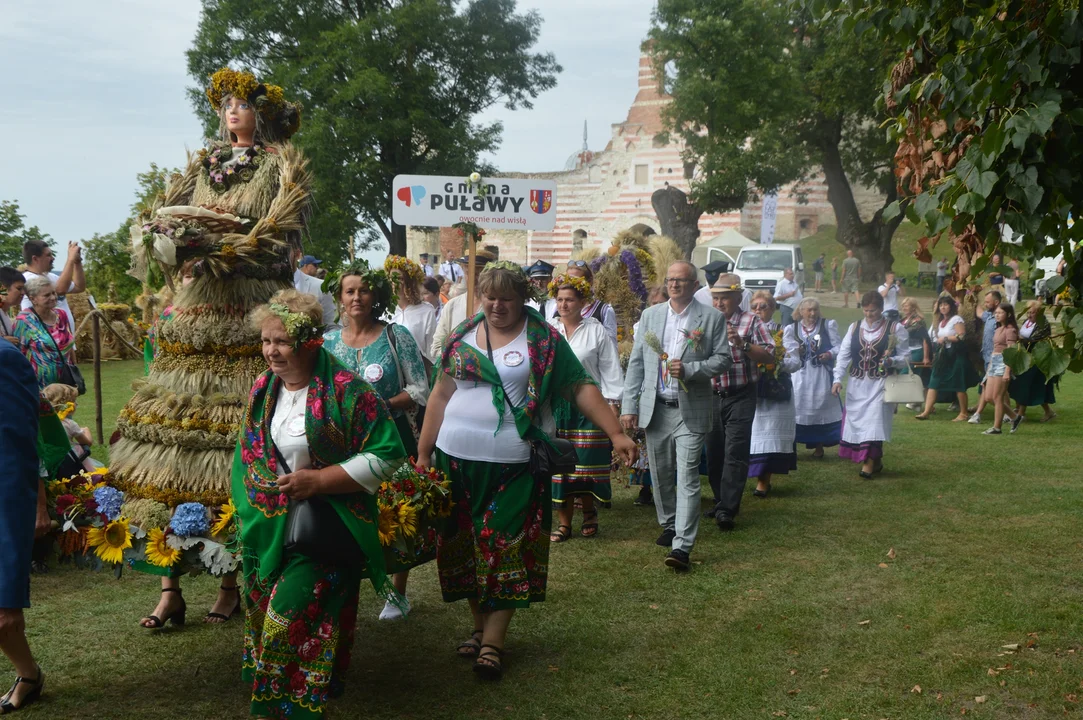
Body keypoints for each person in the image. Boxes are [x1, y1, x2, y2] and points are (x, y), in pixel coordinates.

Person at [111, 68, 309, 629]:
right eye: (225, 104)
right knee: (174, 437)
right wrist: (169, 240)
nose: (232, 111)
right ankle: (170, 586)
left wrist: (229, 244)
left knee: (236, 437)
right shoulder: (201, 165)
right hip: (199, 305)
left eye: (242, 103)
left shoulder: (278, 163)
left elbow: (280, 232)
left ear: (261, 113)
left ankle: (229, 583)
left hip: (249, 306)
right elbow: (168, 218)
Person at [416, 262, 635, 678]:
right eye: (490, 297)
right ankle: (479, 628)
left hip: (515, 464)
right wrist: (425, 454)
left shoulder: (544, 340)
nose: (497, 305)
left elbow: (580, 386)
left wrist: (615, 434)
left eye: (507, 298)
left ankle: (494, 644)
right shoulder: (463, 335)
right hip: (454, 461)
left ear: (523, 299)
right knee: (463, 545)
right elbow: (440, 397)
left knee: (503, 545)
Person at [234, 289, 406, 717]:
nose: (271, 351)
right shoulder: (263, 388)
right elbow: (247, 453)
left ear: (310, 342)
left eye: (282, 342)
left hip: (325, 530)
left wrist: (320, 481)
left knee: (286, 625)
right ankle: (296, 703)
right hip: (268, 530)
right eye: (266, 341)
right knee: (283, 626)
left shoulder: (348, 391)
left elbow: (388, 454)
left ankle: (287, 707)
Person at [322, 260, 430, 620]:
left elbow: (420, 389)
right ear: (339, 297)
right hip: (340, 442)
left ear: (376, 296)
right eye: (350, 291)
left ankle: (396, 592)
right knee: (343, 512)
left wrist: (379, 405)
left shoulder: (396, 336)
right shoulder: (327, 342)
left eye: (364, 290)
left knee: (395, 511)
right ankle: (344, 581)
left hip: (391, 436)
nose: (357, 297)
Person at [622, 262, 730, 570]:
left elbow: (722, 359)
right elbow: (638, 364)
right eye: (670, 280)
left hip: (690, 409)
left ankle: (683, 546)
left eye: (680, 281)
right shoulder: (650, 316)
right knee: (661, 473)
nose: (674, 285)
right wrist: (630, 405)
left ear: (694, 285)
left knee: (688, 475)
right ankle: (669, 523)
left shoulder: (710, 318)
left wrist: (692, 369)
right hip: (656, 408)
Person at [547, 273, 624, 541]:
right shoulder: (549, 331)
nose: (564, 305)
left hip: (591, 406)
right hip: (557, 408)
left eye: (570, 300)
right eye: (559, 299)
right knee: (560, 464)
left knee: (586, 464)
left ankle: (589, 512)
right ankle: (564, 522)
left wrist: (613, 403)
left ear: (582, 302)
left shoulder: (595, 330)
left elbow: (610, 369)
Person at [0, 344, 50, 714]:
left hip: (4, 495)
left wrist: (34, 506)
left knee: (3, 614)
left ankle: (29, 675)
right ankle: (29, 674)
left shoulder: (5, 359)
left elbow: (19, 447)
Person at [704, 274, 774, 529]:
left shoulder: (751, 320)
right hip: (711, 395)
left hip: (741, 394)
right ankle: (720, 499)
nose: (719, 303)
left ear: (737, 297)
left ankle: (727, 509)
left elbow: (768, 356)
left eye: (724, 298)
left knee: (735, 451)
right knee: (714, 452)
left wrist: (742, 343)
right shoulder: (706, 320)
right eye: (716, 298)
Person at [832, 290, 909, 478]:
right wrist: (837, 379)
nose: (868, 315)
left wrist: (891, 361)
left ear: (881, 309)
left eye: (872, 311)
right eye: (865, 311)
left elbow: (906, 357)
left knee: (875, 421)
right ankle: (876, 460)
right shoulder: (854, 327)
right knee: (859, 423)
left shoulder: (895, 328)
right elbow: (843, 356)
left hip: (881, 383)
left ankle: (868, 463)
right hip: (857, 384)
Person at [746, 292, 800, 497]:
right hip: (750, 389)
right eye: (755, 307)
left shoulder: (783, 332)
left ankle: (763, 479)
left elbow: (796, 362)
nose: (758, 310)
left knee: (770, 433)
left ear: (773, 309)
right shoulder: (745, 331)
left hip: (775, 390)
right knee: (750, 432)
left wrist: (776, 363)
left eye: (763, 307)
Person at [785, 297, 842, 457]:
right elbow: (786, 351)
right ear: (801, 311)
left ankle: (819, 446)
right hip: (799, 375)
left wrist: (829, 354)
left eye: (815, 309)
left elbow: (840, 346)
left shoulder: (827, 325)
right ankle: (792, 446)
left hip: (820, 375)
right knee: (797, 407)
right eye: (809, 310)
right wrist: (796, 352)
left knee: (818, 407)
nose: (812, 313)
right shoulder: (792, 328)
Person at [914, 294, 980, 421]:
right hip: (943, 355)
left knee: (958, 384)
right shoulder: (940, 322)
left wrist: (946, 338)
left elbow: (962, 336)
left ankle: (963, 413)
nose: (943, 307)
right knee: (934, 381)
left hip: (955, 355)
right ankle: (926, 412)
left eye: (945, 304)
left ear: (951, 306)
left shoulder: (956, 319)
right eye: (941, 305)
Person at [429, 248, 495, 359]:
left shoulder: (495, 307)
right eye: (468, 273)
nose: (473, 278)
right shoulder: (452, 306)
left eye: (479, 274)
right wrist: (460, 361)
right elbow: (436, 347)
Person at [13, 276, 75, 389]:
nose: (53, 297)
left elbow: (70, 344)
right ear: (33, 299)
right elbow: (18, 354)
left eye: (53, 293)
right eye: (46, 295)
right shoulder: (24, 321)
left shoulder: (61, 315)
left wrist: (74, 368)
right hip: (40, 386)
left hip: (65, 382)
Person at [20, 239, 84, 338]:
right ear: (35, 259)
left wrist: (77, 261)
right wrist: (70, 259)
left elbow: (79, 287)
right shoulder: (28, 279)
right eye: (48, 255)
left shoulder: (51, 276)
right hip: (47, 346)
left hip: (64, 342)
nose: (53, 258)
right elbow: (60, 290)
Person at [1010, 300, 1058, 423]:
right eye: (1028, 312)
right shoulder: (1027, 322)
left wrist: (1019, 339)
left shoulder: (1043, 324)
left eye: (1033, 312)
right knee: (1029, 386)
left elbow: (1034, 340)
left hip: (1037, 359)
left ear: (1039, 313)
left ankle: (1021, 413)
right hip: (1026, 358)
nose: (1030, 315)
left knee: (1027, 384)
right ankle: (1047, 411)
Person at [385, 255, 437, 363]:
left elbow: (431, 350)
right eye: (391, 278)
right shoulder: (384, 310)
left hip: (417, 370)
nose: (394, 282)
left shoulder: (426, 311)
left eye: (399, 278)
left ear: (410, 282)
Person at [979, 303, 1021, 435]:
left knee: (997, 397)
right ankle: (1015, 417)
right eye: (996, 313)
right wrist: (988, 371)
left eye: (1000, 313)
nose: (997, 315)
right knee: (988, 397)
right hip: (994, 361)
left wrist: (1007, 370)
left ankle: (997, 428)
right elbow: (994, 351)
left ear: (1008, 314)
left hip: (1004, 362)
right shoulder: (998, 329)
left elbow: (1011, 351)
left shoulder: (1010, 330)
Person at [967, 291, 1003, 424]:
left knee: (987, 387)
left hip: (996, 359)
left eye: (988, 302)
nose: (985, 304)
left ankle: (977, 414)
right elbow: (979, 313)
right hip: (988, 357)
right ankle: (1009, 415)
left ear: (996, 302)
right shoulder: (989, 315)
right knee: (998, 390)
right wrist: (974, 298)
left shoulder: (1001, 319)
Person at [565, 260, 618, 347]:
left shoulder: (604, 311)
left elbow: (611, 347)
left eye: (576, 281)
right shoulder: (559, 308)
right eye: (568, 281)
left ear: (589, 281)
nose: (571, 285)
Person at [900, 297, 933, 409]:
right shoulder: (903, 320)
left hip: (917, 350)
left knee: (906, 374)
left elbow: (925, 339)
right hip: (906, 351)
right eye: (903, 305)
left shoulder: (919, 321)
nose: (904, 307)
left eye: (907, 305)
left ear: (913, 307)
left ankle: (914, 400)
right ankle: (918, 402)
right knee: (919, 378)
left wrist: (925, 356)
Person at [291, 248, 336, 329]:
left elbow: (332, 327)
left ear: (297, 254)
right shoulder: (263, 288)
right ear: (306, 266)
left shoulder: (320, 286)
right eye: (314, 265)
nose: (317, 267)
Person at [1, 267, 27, 343]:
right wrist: (3, 341)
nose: (23, 293)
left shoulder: (4, 313)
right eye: (19, 288)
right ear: (3, 288)